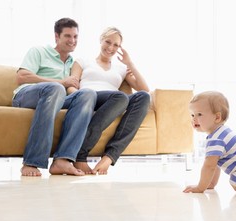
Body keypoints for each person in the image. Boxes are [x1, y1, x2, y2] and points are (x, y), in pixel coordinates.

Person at [12, 18, 97, 177]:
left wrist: (81, 98)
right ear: (56, 37)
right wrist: (60, 82)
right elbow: (21, 77)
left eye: (75, 37)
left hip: (55, 98)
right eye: (67, 36)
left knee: (88, 94)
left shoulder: (72, 63)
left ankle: (63, 160)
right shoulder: (39, 51)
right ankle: (32, 161)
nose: (72, 40)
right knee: (56, 88)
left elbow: (71, 89)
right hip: (26, 96)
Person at [68, 27, 150, 175]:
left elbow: (144, 89)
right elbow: (71, 86)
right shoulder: (82, 61)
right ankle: (80, 154)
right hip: (89, 97)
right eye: (108, 42)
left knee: (144, 98)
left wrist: (130, 63)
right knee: (120, 97)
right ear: (101, 40)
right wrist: (81, 100)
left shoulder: (122, 68)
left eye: (116, 45)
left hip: (115, 102)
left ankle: (109, 157)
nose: (110, 47)